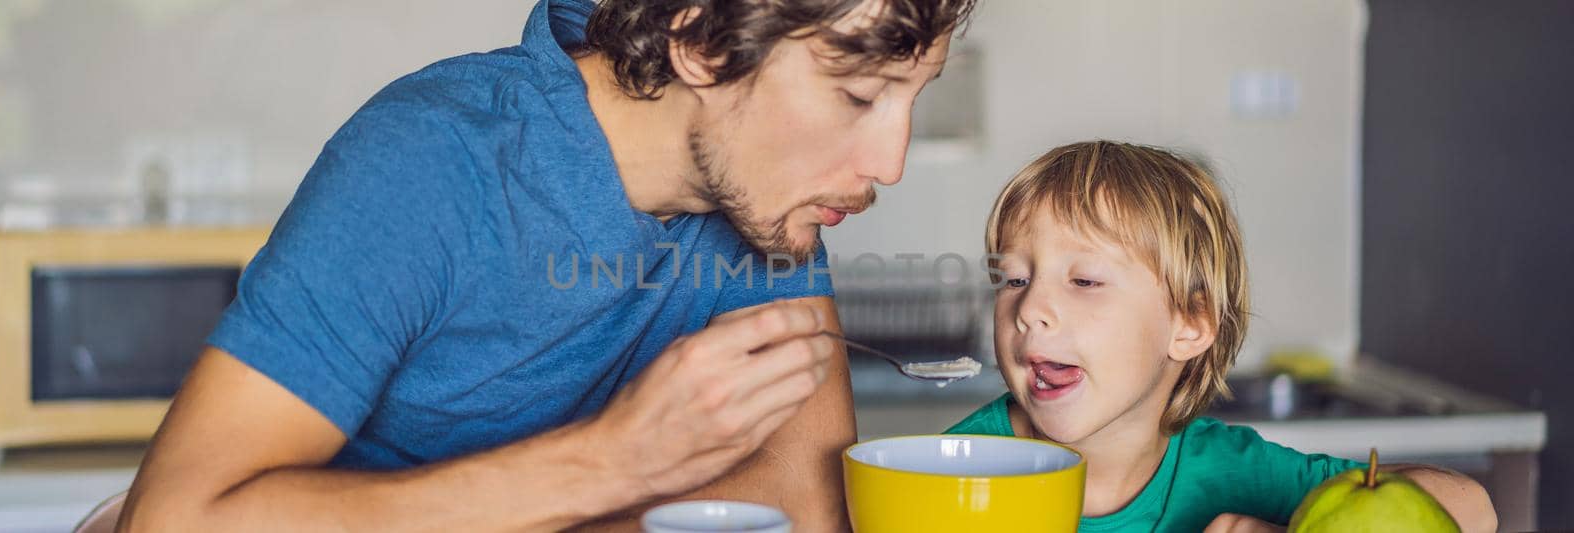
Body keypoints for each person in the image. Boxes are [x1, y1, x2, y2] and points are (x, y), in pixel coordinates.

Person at [119, 0, 976, 530]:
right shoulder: (433, 162)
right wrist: (611, 463)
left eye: (913, 97)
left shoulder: (770, 204)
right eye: (859, 97)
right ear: (705, 47)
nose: (890, 162)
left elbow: (804, 503)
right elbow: (173, 518)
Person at [948, 141, 1497, 532]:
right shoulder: (957, 467)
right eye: (1014, 279)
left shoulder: (1234, 470)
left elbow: (1472, 508)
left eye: (1085, 280)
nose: (1030, 309)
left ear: (1189, 325)